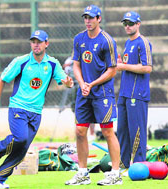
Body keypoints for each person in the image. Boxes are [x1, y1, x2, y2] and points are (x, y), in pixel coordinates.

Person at [0, 30, 73, 188]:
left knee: (22, 149)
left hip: (36, 112)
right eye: (33, 41)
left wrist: (68, 83)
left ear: (47, 44)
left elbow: (65, 80)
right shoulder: (22, 61)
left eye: (39, 41)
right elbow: (2, 79)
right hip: (18, 107)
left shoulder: (52, 64)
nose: (36, 44)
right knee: (20, 138)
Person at [65, 5, 122, 186]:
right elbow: (76, 64)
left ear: (99, 19)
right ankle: (83, 173)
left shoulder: (107, 40)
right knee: (80, 131)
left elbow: (112, 70)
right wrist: (82, 84)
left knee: (107, 131)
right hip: (84, 93)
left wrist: (92, 84)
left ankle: (115, 173)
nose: (88, 21)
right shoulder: (78, 38)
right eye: (85, 18)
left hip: (102, 93)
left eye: (91, 18)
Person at [116, 11, 152, 176]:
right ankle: (123, 165)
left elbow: (147, 67)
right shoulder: (127, 43)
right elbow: (126, 65)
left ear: (138, 23)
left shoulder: (143, 42)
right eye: (125, 23)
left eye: (131, 23)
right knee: (122, 131)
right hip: (124, 93)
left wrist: (123, 66)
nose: (128, 26)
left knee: (136, 131)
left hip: (137, 94)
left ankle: (139, 166)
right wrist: (120, 64)